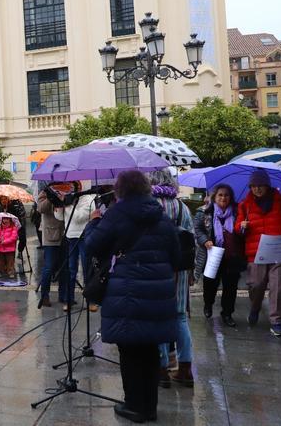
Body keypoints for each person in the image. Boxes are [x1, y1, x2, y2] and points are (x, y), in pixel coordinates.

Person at [83, 170, 180, 424]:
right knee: (149, 350)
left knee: (130, 352)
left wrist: (94, 221)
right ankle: (150, 407)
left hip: (127, 290)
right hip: (158, 292)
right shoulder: (161, 215)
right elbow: (177, 255)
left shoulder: (116, 214)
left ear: (121, 190)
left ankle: (135, 406)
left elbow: (93, 245)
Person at [149, 169, 195, 388]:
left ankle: (161, 369)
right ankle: (185, 369)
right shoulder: (182, 207)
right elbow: (190, 238)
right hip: (180, 268)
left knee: (158, 317)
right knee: (180, 317)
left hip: (157, 267)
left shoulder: (150, 205)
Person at [235, 169, 281, 337]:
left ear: (267, 185)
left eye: (260, 185)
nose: (257, 189)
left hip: (280, 250)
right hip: (256, 252)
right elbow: (237, 227)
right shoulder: (244, 205)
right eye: (253, 186)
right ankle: (255, 307)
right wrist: (241, 226)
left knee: (278, 286)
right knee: (256, 285)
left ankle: (276, 321)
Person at [195, 183, 244, 328]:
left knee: (231, 287)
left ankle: (227, 313)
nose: (223, 198)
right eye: (220, 195)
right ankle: (208, 304)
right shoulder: (204, 212)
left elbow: (242, 233)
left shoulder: (237, 212)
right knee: (210, 284)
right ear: (214, 197)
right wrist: (205, 240)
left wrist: (243, 228)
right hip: (212, 255)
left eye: (227, 195)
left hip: (231, 256)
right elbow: (197, 230)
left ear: (231, 197)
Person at [53, 185, 96, 312]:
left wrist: (68, 205)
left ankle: (90, 301)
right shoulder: (68, 198)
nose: (71, 188)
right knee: (71, 270)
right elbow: (60, 218)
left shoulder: (88, 199)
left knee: (87, 269)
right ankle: (68, 300)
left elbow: (79, 217)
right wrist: (59, 206)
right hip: (70, 237)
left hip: (84, 237)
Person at [36, 184, 66, 308]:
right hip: (51, 235)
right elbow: (41, 208)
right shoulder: (45, 192)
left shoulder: (68, 188)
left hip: (65, 233)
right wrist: (51, 197)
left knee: (65, 267)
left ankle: (63, 295)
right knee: (48, 267)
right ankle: (45, 296)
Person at [0, 195, 27, 260]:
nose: (4, 201)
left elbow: (20, 214)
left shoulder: (14, 204)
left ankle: (19, 251)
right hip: (4, 230)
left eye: (5, 199)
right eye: (2, 199)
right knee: (7, 246)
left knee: (22, 240)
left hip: (16, 226)